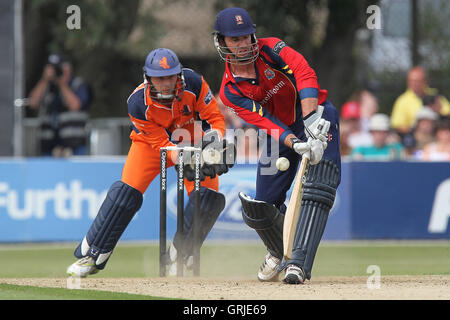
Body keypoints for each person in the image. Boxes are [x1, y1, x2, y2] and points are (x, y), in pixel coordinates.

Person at [66, 48, 234, 277]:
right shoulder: (137, 103)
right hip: (152, 146)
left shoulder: (194, 83)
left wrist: (212, 146)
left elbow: (215, 118)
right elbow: (163, 146)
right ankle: (93, 255)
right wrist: (188, 156)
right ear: (148, 78)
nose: (165, 83)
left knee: (207, 199)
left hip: (193, 139)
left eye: (170, 77)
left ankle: (179, 258)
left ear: (179, 75)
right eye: (159, 78)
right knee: (125, 195)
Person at [213, 7, 341, 284]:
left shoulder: (272, 49)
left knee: (320, 185)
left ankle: (298, 264)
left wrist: (311, 122)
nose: (243, 43)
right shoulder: (231, 89)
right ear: (221, 42)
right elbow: (264, 120)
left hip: (316, 114)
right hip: (280, 132)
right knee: (262, 206)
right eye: (235, 39)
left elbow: (304, 73)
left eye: (246, 36)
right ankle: (278, 250)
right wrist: (295, 142)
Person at [28, 53, 92, 156]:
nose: (54, 72)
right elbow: (32, 103)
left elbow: (75, 105)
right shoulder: (47, 86)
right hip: (49, 147)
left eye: (57, 68)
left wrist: (61, 83)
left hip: (75, 147)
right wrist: (44, 80)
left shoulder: (78, 84)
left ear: (67, 69)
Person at [390, 66, 450, 135]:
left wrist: (439, 112)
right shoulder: (402, 101)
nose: (414, 84)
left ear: (425, 81)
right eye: (411, 81)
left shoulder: (435, 96)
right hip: (415, 139)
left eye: (418, 81)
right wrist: (417, 128)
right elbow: (397, 125)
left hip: (437, 137)